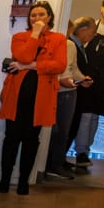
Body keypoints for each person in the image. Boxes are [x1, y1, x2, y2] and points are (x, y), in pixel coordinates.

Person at [0, 1, 67, 195]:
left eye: (41, 15)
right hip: (16, 97)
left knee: (31, 140)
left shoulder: (59, 39)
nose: (37, 18)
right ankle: (4, 180)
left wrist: (27, 66)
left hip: (40, 100)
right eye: (33, 15)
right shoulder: (20, 37)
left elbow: (59, 65)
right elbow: (23, 56)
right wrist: (35, 35)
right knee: (11, 139)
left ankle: (23, 182)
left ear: (49, 17)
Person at [73, 1, 104, 169]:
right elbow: (75, 63)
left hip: (103, 81)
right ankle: (81, 152)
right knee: (85, 118)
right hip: (85, 83)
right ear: (101, 8)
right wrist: (81, 78)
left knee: (95, 118)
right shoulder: (75, 44)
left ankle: (86, 150)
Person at [44, 19, 87, 181]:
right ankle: (54, 164)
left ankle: (55, 162)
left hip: (59, 90)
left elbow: (72, 68)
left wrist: (82, 78)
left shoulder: (64, 44)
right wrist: (72, 80)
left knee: (58, 130)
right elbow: (67, 70)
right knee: (61, 131)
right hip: (65, 92)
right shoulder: (67, 44)